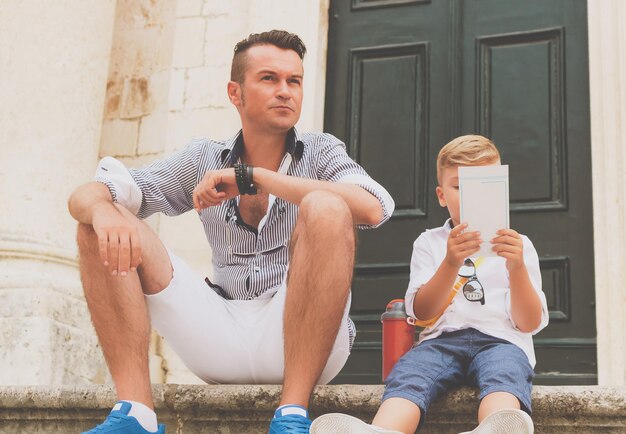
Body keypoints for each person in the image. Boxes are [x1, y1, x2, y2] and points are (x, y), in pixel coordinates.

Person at [67, 30, 395, 434]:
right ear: (235, 93)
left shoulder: (322, 151)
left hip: (301, 339)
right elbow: (86, 193)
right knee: (97, 223)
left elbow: (372, 205)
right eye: (269, 79)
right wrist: (104, 210)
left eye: (294, 81)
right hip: (218, 332)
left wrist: (255, 178)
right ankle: (136, 415)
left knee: (327, 206)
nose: (285, 91)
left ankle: (292, 415)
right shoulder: (203, 157)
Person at [310, 135, 549, 434]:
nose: (472, 197)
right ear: (441, 195)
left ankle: (496, 426)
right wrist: (449, 262)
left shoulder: (519, 246)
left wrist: (516, 268)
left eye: (484, 186)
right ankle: (383, 430)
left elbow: (528, 323)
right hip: (441, 341)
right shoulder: (430, 242)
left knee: (505, 373)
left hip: (502, 340)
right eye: (460, 187)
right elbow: (422, 313)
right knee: (411, 374)